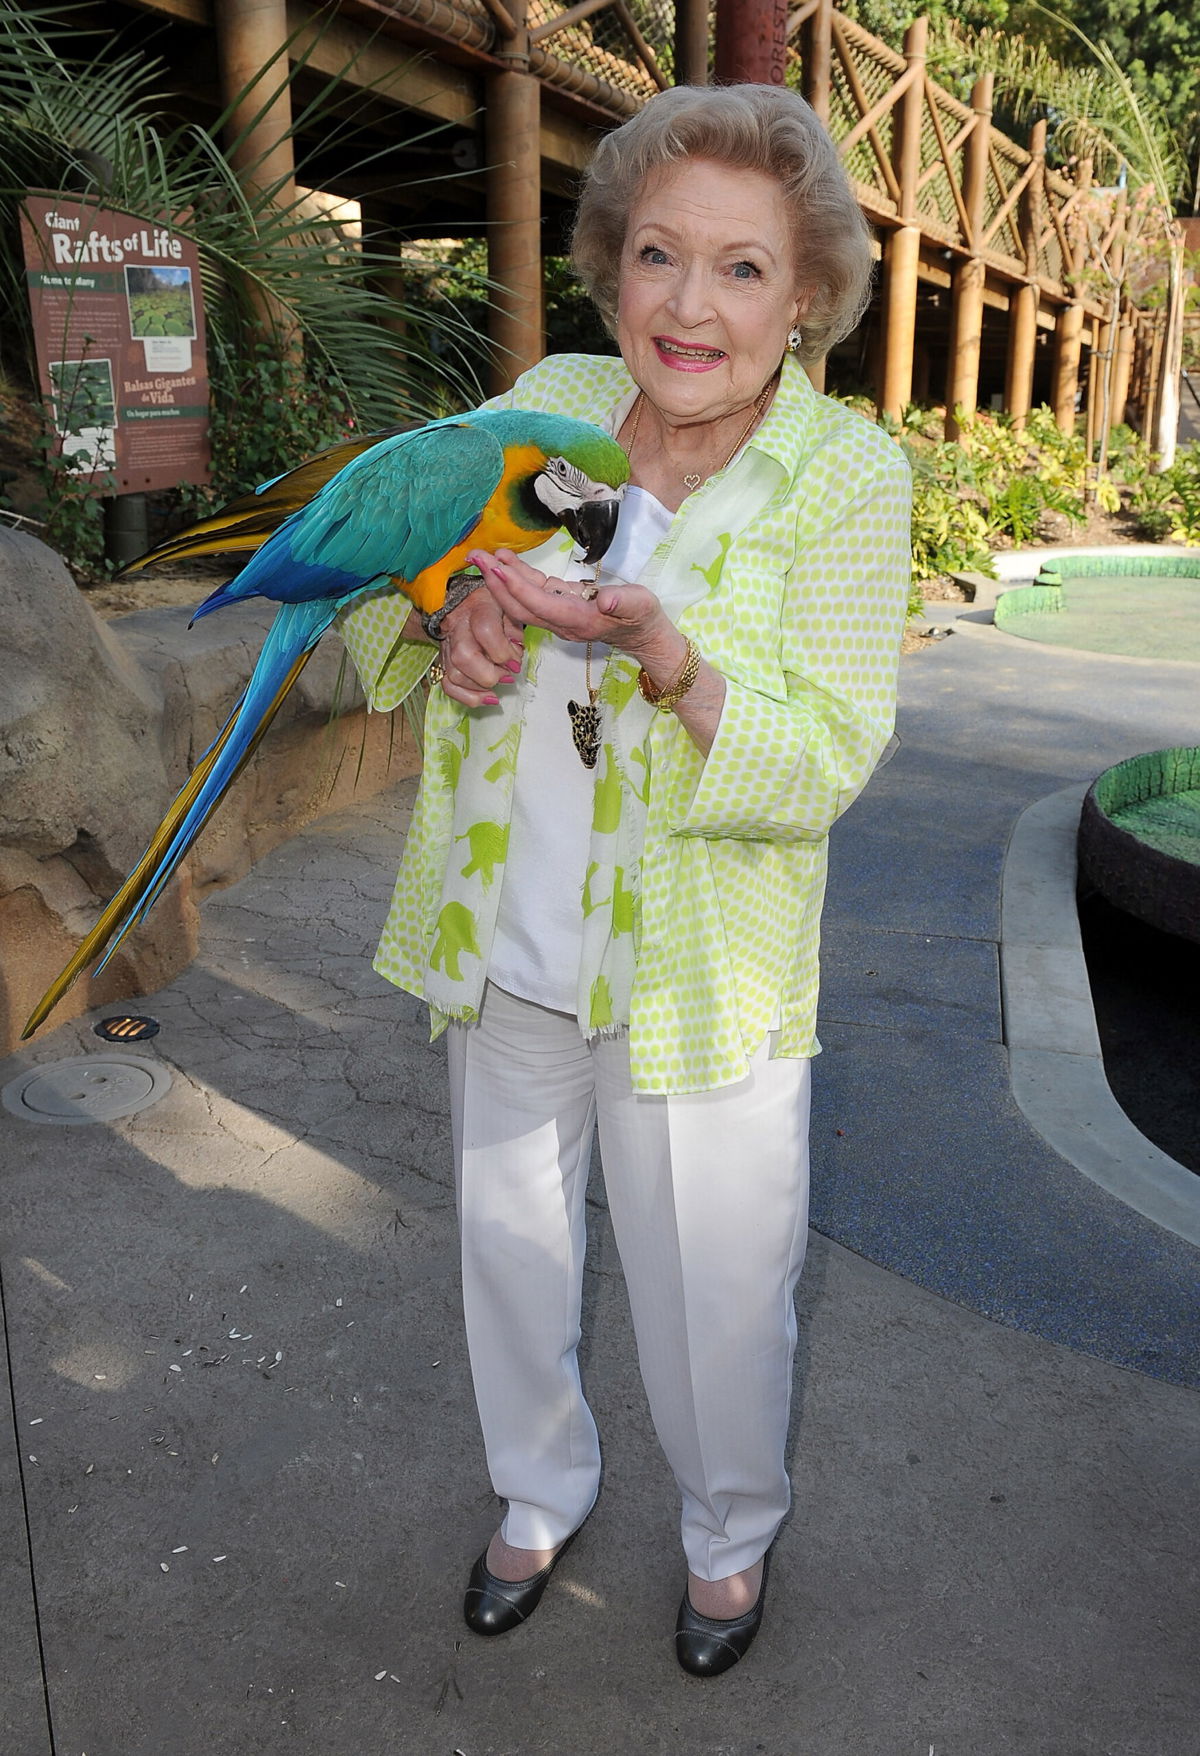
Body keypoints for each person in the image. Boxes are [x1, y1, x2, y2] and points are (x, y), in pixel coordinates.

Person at [339, 81, 911, 1677]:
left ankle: (729, 1537)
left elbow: (828, 758)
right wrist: (444, 633)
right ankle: (537, 1490)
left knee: (718, 1300)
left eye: (742, 270)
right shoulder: (555, 396)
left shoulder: (847, 478)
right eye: (660, 255)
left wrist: (670, 656)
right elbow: (423, 596)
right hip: (507, 926)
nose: (691, 304)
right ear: (611, 265)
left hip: (700, 970)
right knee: (509, 1243)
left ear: (805, 298)